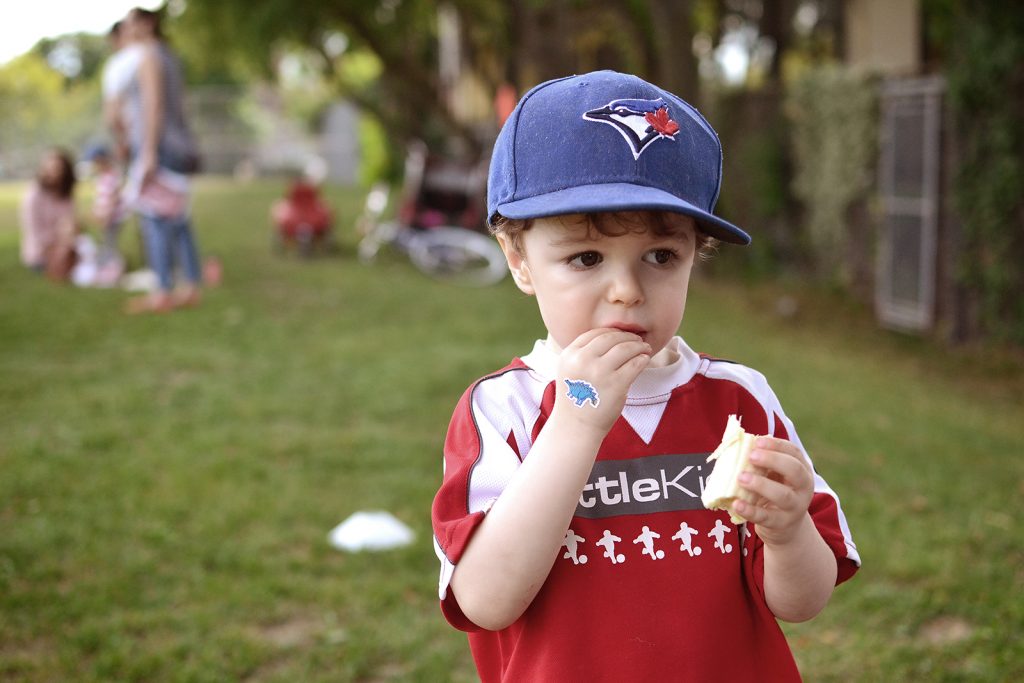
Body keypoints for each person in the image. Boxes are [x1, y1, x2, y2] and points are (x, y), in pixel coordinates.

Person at [430, 70, 861, 681]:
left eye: (661, 257)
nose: (627, 292)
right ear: (520, 259)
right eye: (585, 258)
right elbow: (486, 601)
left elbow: (801, 602)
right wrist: (576, 424)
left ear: (694, 256)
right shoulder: (506, 408)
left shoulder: (740, 400)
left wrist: (789, 531)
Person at [121, 7, 203, 313]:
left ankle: (162, 290)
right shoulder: (169, 56)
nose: (127, 30)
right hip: (180, 145)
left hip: (161, 147)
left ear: (147, 24)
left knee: (154, 220)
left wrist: (149, 152)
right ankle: (191, 285)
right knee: (180, 220)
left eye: (131, 24)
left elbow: (153, 107)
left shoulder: (149, 57)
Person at [19, 148, 79, 280]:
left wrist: (66, 241)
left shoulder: (66, 195)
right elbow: (34, 232)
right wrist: (56, 247)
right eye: (49, 168)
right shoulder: (33, 195)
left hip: (64, 247)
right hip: (41, 253)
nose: (52, 173)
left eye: (57, 169)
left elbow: (69, 223)